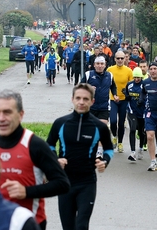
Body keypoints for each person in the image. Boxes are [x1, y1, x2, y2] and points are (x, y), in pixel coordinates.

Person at [0, 89, 70, 229]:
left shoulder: (35, 145)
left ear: (21, 115)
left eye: (7, 112)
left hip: (29, 224)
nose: (1, 118)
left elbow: (62, 184)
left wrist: (27, 192)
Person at [46, 83, 113, 230]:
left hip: (87, 182)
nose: (81, 102)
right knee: (68, 227)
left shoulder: (99, 126)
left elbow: (109, 148)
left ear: (92, 101)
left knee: (82, 226)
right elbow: (49, 145)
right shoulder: (60, 123)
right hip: (65, 182)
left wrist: (104, 161)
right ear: (72, 99)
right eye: (78, 98)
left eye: (85, 99)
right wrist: (55, 159)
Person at [107, 51, 133, 153]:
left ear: (125, 59)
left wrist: (127, 93)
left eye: (122, 58)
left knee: (121, 123)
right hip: (113, 99)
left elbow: (131, 86)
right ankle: (114, 136)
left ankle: (120, 143)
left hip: (124, 100)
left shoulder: (128, 71)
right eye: (118, 58)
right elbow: (107, 83)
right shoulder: (110, 70)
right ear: (115, 59)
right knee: (113, 121)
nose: (120, 60)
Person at [124, 67, 146, 161]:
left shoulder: (144, 85)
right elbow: (127, 95)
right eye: (135, 77)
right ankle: (132, 152)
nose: (137, 79)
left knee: (141, 131)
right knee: (132, 129)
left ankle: (140, 148)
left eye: (138, 77)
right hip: (132, 111)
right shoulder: (129, 85)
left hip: (142, 112)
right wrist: (126, 96)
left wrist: (142, 100)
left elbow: (147, 96)